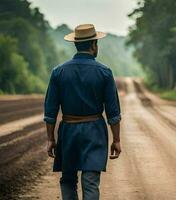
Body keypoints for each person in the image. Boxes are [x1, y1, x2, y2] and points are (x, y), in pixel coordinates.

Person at [44, 24, 122, 200]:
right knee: (91, 181)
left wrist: (50, 139)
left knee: (68, 180)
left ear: (76, 44)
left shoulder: (59, 72)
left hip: (69, 131)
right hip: (95, 131)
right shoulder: (105, 72)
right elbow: (113, 112)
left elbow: (50, 111)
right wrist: (116, 140)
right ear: (94, 44)